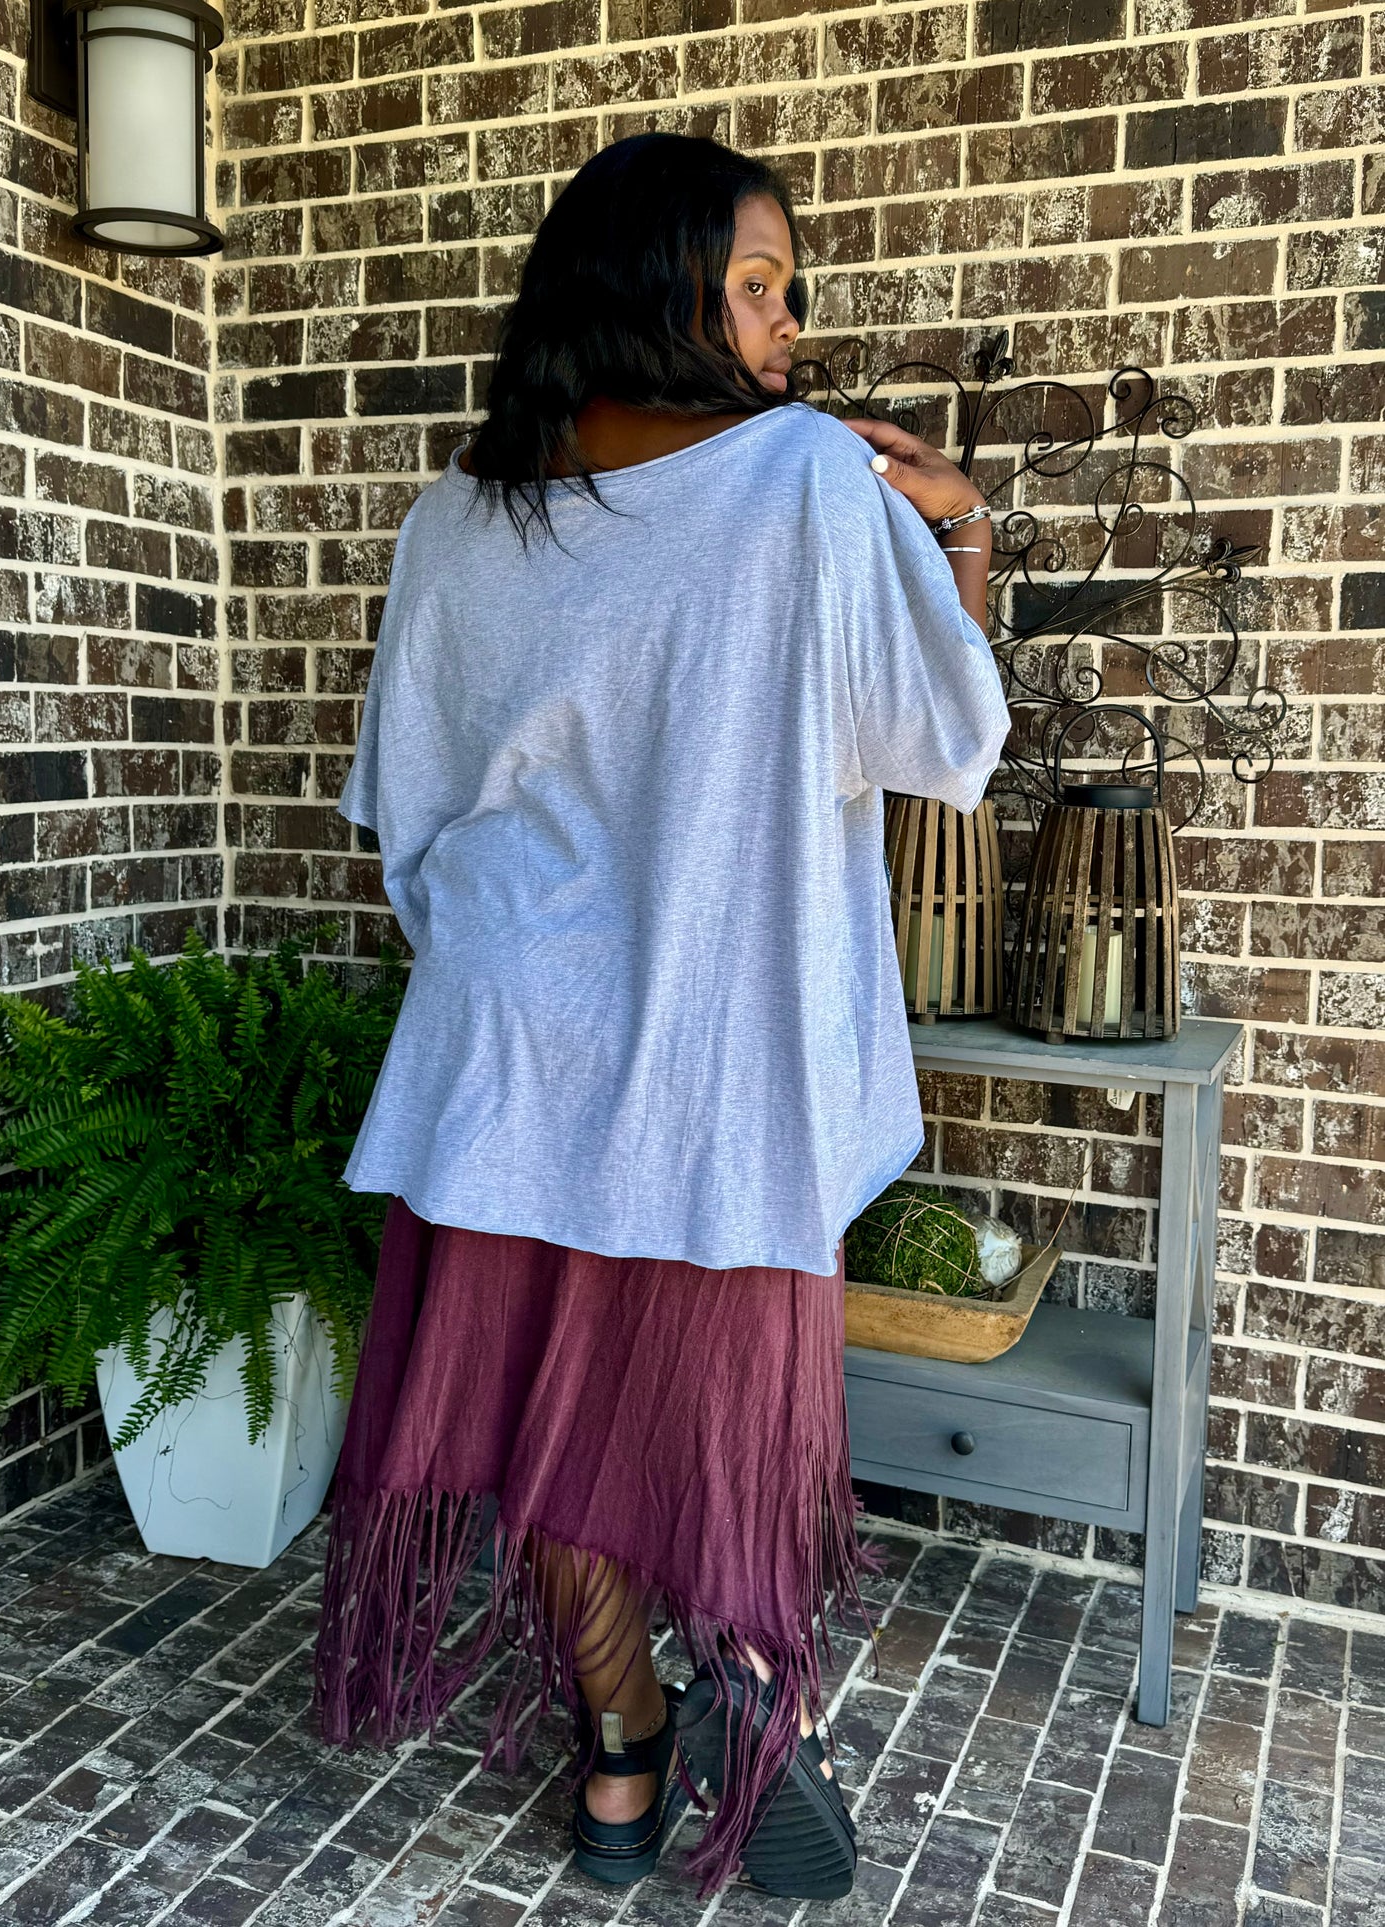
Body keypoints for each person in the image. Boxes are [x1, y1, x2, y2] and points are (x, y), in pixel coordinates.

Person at [312, 131, 1010, 1902]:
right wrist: (962, 531)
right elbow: (944, 743)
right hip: (716, 1058)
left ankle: (620, 1757)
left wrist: (509, 960)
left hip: (501, 1054)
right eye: (759, 285)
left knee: (536, 1426)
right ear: (658, 282)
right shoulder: (803, 479)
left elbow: (407, 808)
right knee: (713, 1418)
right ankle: (756, 1691)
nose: (788, 326)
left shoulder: (457, 513)